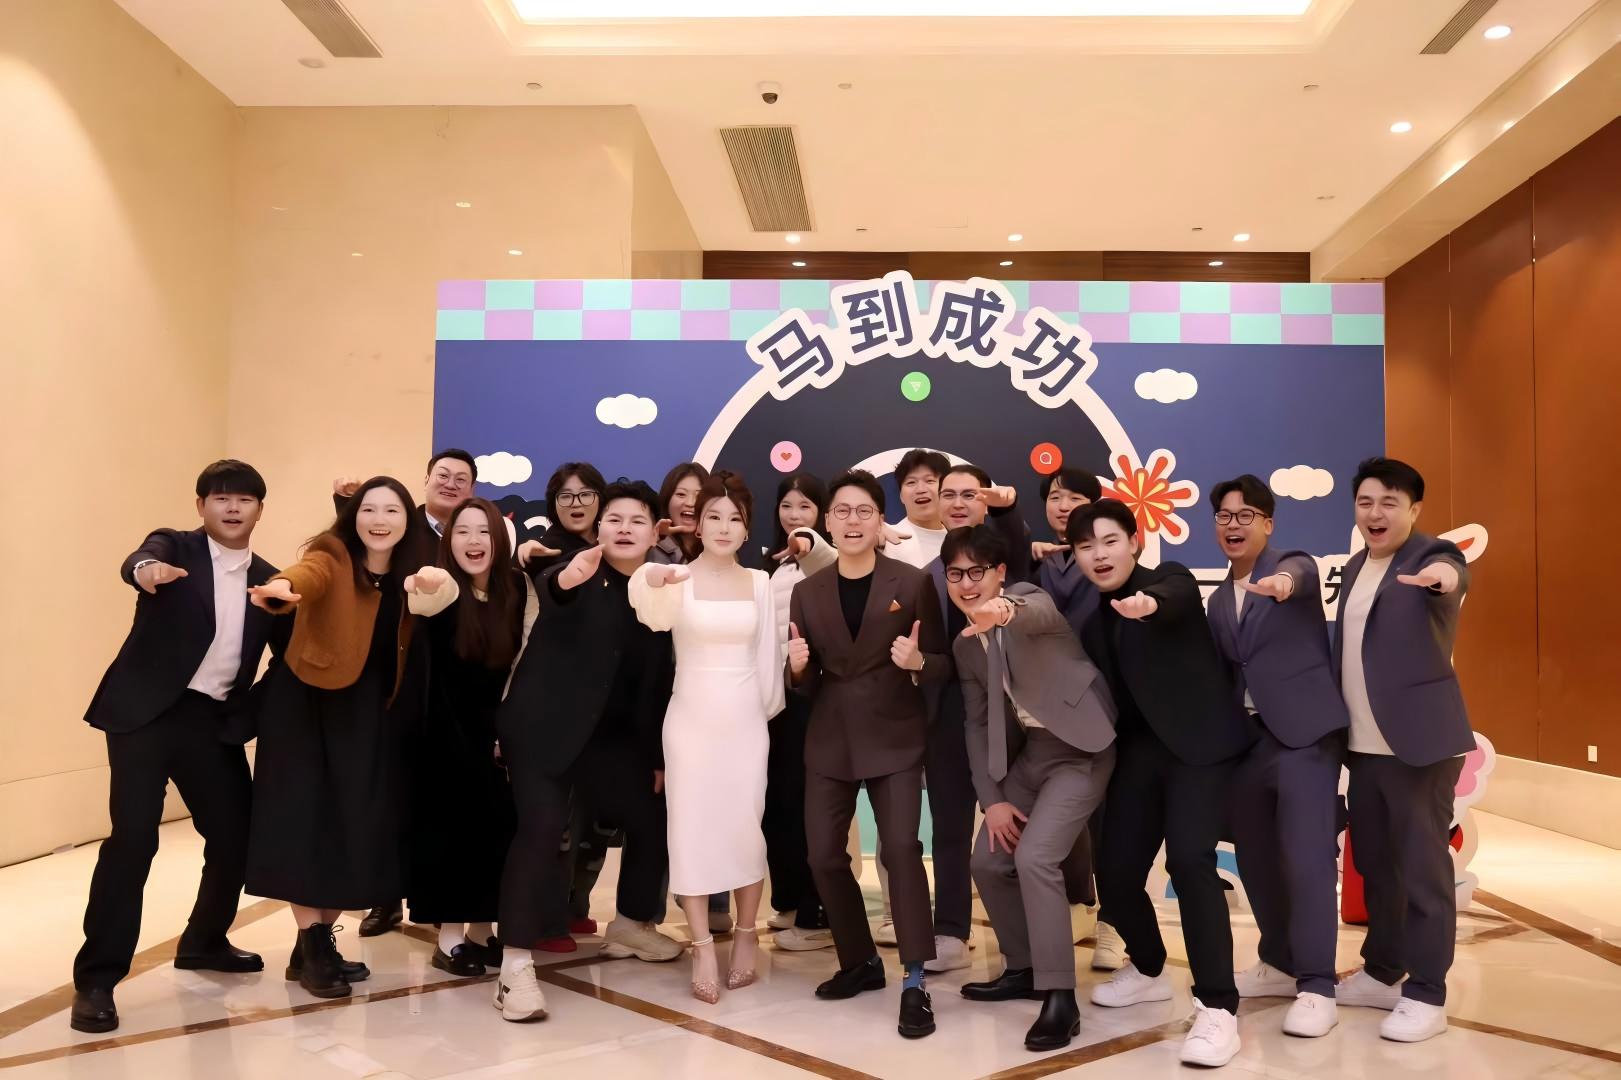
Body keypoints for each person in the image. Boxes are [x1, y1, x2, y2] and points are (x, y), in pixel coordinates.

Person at [70, 461, 282, 1034]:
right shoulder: (175, 548)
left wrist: (245, 714)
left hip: (212, 722)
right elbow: (139, 559)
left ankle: (204, 940)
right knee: (134, 841)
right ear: (200, 506)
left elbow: (288, 661)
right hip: (144, 716)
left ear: (260, 510)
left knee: (237, 835)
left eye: (244, 499)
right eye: (220, 498)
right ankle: (97, 979)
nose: (232, 508)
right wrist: (146, 571)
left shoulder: (269, 581)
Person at [1069, 499, 1255, 1068]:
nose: (1099, 555)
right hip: (1140, 754)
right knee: (1115, 871)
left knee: (1189, 862)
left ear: (1135, 541)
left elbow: (1172, 598)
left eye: (1110, 541)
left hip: (1199, 750)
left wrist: (1147, 605)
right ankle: (1149, 969)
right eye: (1086, 546)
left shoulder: (1168, 579)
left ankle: (1218, 1007)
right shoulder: (1090, 618)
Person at [245, 476, 443, 999]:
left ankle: (309, 947)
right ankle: (315, 947)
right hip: (306, 704)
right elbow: (306, 575)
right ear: (353, 516)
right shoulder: (332, 554)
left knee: (351, 824)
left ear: (408, 521)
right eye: (369, 509)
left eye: (392, 510)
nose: (379, 520)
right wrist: (281, 589)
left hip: (366, 714)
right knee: (305, 823)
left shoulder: (411, 573)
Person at [495, 480, 682, 1022]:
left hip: (610, 740)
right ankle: (514, 967)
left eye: (637, 521)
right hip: (542, 730)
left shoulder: (658, 590)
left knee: (654, 816)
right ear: (599, 528)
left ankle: (632, 923)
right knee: (541, 829)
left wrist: (656, 757)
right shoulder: (575, 569)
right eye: (614, 520)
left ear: (654, 534)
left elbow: (655, 682)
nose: (624, 529)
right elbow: (556, 587)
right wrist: (569, 576)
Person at [787, 469, 949, 1040]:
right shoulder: (807, 591)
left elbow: (942, 662)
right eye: (842, 511)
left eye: (864, 511)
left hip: (895, 735)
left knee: (902, 848)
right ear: (827, 522)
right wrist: (798, 669)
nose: (852, 521)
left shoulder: (913, 581)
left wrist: (919, 663)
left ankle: (915, 979)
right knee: (821, 856)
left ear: (881, 522)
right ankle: (859, 960)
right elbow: (806, 682)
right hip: (830, 737)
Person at [945, 525, 1117, 1052]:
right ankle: (1022, 967)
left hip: (1082, 749)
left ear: (1000, 573)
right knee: (987, 861)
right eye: (955, 574)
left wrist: (1001, 611)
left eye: (978, 572)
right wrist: (993, 800)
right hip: (1032, 757)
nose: (967, 584)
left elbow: (1031, 611)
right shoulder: (964, 646)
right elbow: (977, 725)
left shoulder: (1028, 600)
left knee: (1035, 857)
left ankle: (1060, 998)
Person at [1330, 457, 1473, 1044]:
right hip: (1364, 748)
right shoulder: (1357, 565)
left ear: (1414, 509)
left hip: (1418, 747)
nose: (1375, 513)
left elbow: (1451, 572)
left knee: (1421, 872)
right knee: (1375, 865)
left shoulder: (1430, 555)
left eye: (1390, 502)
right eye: (1365, 502)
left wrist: (1441, 578)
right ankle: (1383, 970)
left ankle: (1428, 992)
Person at [629, 471, 785, 1003]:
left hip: (745, 722)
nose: (723, 527)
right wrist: (654, 579)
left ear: (747, 527)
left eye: (734, 518)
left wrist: (759, 716)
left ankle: (745, 934)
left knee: (746, 828)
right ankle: (700, 945)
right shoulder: (674, 577)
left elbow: (769, 662)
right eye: (713, 516)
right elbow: (648, 611)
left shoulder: (760, 582)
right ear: (697, 525)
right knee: (689, 830)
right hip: (689, 720)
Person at [1205, 475, 1349, 1038]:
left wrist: (1284, 583)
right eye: (1224, 516)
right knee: (1258, 860)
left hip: (1304, 738)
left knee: (1307, 860)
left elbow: (1300, 575)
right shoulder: (1218, 600)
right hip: (1248, 744)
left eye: (1246, 515)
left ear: (1267, 523)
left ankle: (1317, 985)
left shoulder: (1293, 567)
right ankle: (1280, 959)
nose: (1233, 525)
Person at [332, 447, 487, 939]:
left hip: (451, 680)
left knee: (433, 797)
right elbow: (358, 557)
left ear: (472, 489)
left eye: (461, 478)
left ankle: (435, 898)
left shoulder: (476, 534)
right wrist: (345, 506)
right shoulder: (403, 527)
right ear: (426, 479)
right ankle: (384, 898)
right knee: (388, 791)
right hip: (396, 676)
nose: (451, 483)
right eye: (443, 474)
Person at [908, 462, 1032, 973]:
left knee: (1020, 829)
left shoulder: (1012, 558)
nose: (958, 503)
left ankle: (1028, 940)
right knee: (951, 827)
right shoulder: (927, 575)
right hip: (949, 714)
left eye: (969, 494)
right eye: (949, 494)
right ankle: (951, 930)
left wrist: (1009, 510)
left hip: (1017, 713)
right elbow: (932, 652)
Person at [404, 497, 528, 977]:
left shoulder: (514, 591)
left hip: (498, 735)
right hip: (443, 735)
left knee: (496, 833)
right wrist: (421, 584)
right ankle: (449, 938)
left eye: (483, 532)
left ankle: (480, 929)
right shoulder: (442, 588)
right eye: (462, 531)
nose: (473, 541)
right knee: (451, 835)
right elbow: (421, 592)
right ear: (448, 540)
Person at [513, 460, 610, 943]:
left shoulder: (615, 549)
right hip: (554, 705)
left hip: (604, 707)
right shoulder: (541, 552)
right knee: (558, 822)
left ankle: (575, 906)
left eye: (586, 493)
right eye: (566, 495)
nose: (576, 503)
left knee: (594, 821)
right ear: (553, 503)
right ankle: (547, 918)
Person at [1031, 466, 1122, 969]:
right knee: (1058, 823)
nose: (1063, 506)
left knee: (1110, 825)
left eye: (1074, 497)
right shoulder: (1035, 561)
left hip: (1105, 711)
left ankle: (1114, 924)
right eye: (1054, 497)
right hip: (1046, 713)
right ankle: (1078, 907)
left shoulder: (1108, 561)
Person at [763, 472, 839, 952]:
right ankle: (790, 903)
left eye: (805, 506)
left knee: (808, 807)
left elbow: (823, 556)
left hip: (813, 698)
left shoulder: (825, 561)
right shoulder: (771, 566)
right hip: (775, 703)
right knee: (778, 806)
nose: (794, 515)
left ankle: (818, 914)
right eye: (787, 506)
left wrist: (809, 543)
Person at [882, 448, 950, 568]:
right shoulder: (885, 537)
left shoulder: (960, 541)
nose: (921, 489)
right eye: (911, 482)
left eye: (930, 480)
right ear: (901, 496)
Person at [652, 461, 707, 566]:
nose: (690, 503)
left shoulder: (720, 549)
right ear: (667, 499)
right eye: (681, 494)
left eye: (699, 496)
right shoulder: (652, 547)